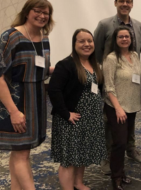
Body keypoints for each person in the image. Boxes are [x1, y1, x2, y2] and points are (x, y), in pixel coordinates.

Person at [0, 0, 54, 190]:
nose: (42, 15)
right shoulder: (10, 37)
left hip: (36, 101)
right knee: (22, 154)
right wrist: (13, 112)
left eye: (46, 12)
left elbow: (41, 69)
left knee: (20, 152)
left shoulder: (44, 38)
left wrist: (67, 67)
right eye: (37, 11)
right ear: (27, 12)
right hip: (15, 102)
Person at [94, 0, 141, 173]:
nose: (125, 4)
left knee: (130, 116)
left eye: (128, 1)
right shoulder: (105, 24)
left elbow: (137, 53)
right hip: (111, 79)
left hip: (131, 81)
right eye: (121, 1)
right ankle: (109, 156)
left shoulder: (139, 26)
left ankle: (130, 149)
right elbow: (97, 50)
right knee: (111, 119)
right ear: (115, 3)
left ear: (132, 4)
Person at [48, 29, 107, 190]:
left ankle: (78, 183)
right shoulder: (66, 64)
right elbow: (54, 90)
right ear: (74, 44)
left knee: (82, 153)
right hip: (71, 119)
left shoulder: (95, 64)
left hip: (90, 119)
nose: (87, 44)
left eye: (89, 41)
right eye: (82, 41)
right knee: (69, 158)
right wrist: (66, 114)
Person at [103, 26, 141, 190]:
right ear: (116, 39)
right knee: (119, 143)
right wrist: (118, 108)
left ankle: (120, 172)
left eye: (127, 36)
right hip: (117, 107)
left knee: (125, 140)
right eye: (121, 37)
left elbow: (137, 79)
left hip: (132, 106)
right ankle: (116, 177)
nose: (124, 39)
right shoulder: (111, 58)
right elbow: (108, 87)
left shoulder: (134, 55)